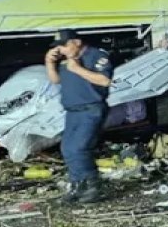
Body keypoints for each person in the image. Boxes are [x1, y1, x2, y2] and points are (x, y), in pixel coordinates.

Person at [45, 29, 115, 204]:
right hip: (72, 110)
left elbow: (104, 80)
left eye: (64, 45)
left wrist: (77, 69)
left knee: (79, 148)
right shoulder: (65, 61)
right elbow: (55, 80)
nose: (61, 50)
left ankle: (92, 186)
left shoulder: (96, 56)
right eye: (58, 47)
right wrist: (49, 62)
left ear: (76, 42)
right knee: (67, 148)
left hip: (90, 109)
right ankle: (77, 186)